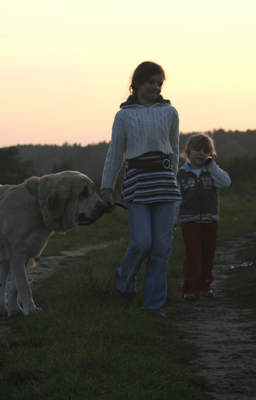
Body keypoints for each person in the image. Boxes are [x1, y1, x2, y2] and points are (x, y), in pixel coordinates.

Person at [101, 61, 181, 317]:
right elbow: (115, 153)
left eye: (160, 83)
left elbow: (176, 151)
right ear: (136, 84)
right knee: (142, 243)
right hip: (136, 183)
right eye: (151, 82)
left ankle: (153, 306)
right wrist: (106, 189)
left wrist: (174, 182)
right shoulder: (123, 116)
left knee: (161, 248)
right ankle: (123, 282)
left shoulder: (170, 112)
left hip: (165, 184)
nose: (156, 87)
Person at [174, 133, 231, 300]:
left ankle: (205, 284)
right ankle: (191, 289)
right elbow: (176, 200)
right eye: (197, 150)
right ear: (187, 152)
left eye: (206, 151)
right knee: (193, 256)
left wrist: (212, 166)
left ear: (211, 155)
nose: (201, 154)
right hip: (189, 222)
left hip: (210, 221)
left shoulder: (213, 172)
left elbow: (225, 183)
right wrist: (172, 222)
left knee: (208, 255)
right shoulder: (181, 175)